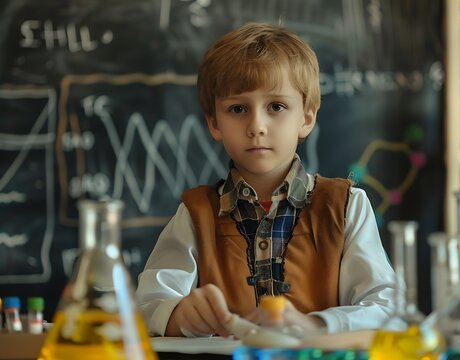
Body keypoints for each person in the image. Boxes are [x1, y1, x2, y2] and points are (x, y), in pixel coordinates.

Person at [136, 22, 396, 338]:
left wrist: (314, 325)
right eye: (238, 108)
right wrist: (179, 315)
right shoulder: (196, 214)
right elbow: (148, 304)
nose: (256, 125)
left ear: (306, 117)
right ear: (214, 123)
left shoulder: (346, 207)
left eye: (276, 106)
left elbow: (385, 308)